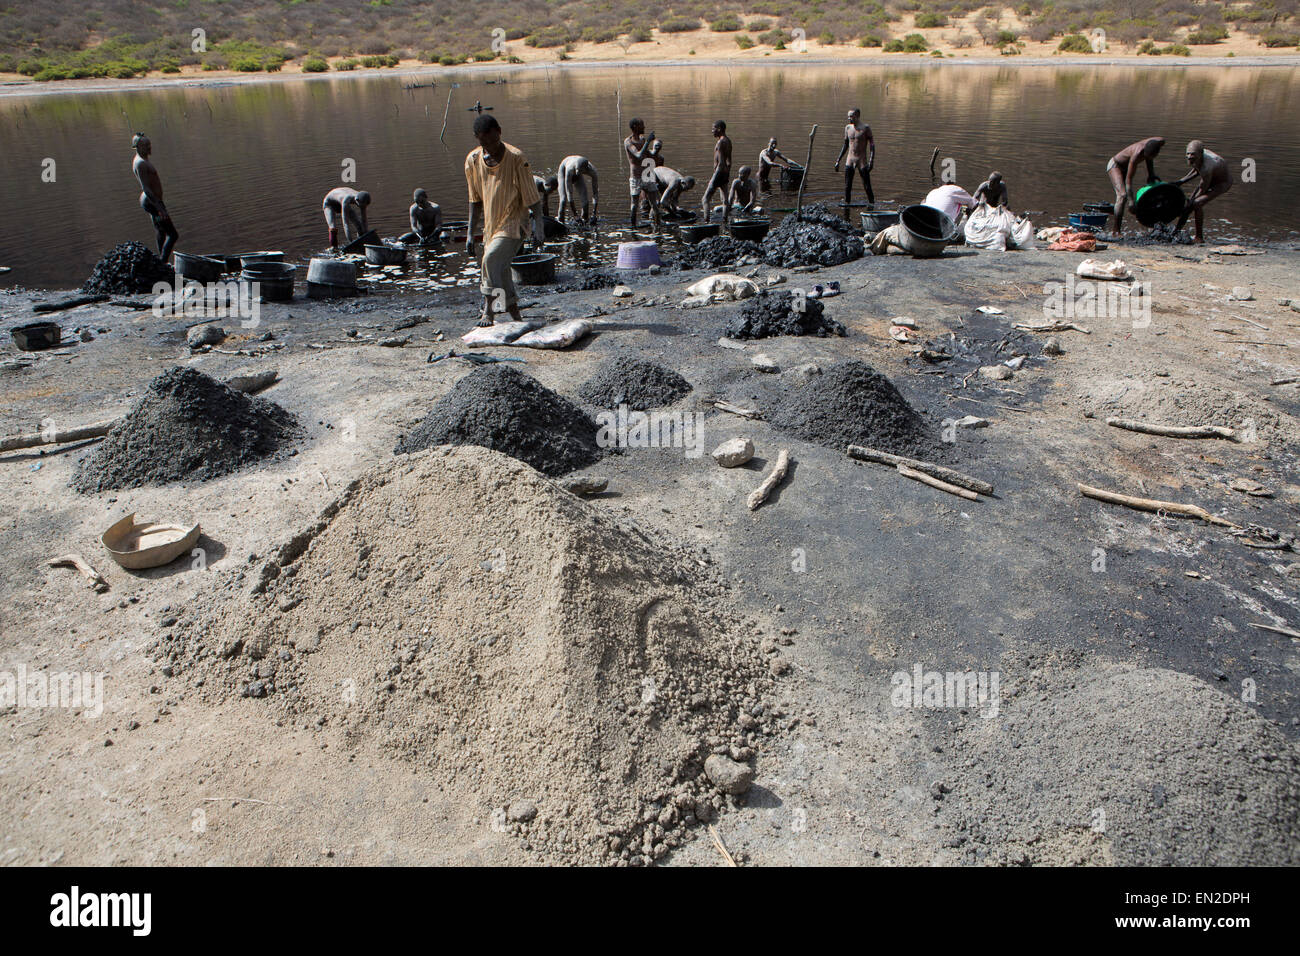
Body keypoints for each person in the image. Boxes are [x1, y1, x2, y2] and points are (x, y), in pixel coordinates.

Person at [464, 114, 544, 327]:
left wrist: (539, 227)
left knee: (490, 259)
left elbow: (532, 197)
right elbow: (475, 200)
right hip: (492, 225)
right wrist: (470, 234)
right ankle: (516, 315)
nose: (489, 147)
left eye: (492, 141)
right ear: (477, 139)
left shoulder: (517, 158)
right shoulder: (473, 161)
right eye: (484, 143)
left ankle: (489, 310)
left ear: (499, 131)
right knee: (500, 268)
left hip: (515, 223)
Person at [1172, 140, 1231, 244]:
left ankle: (1199, 237)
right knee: (1189, 205)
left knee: (1196, 203)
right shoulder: (1200, 157)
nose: (1189, 156)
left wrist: (1189, 204)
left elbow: (1202, 187)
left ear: (1200, 154)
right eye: (1188, 154)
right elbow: (1197, 168)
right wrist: (1180, 182)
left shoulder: (1207, 167)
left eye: (1192, 154)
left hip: (1221, 183)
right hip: (1209, 178)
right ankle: (1175, 232)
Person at [131, 133, 178, 263]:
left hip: (153, 202)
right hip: (152, 202)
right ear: (138, 147)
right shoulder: (140, 163)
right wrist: (160, 208)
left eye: (149, 144)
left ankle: (161, 261)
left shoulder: (144, 159)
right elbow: (146, 188)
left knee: (161, 230)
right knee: (173, 235)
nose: (149, 147)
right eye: (146, 145)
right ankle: (162, 261)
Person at [1106, 136, 1164, 236]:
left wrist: (1151, 174)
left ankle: (1113, 210)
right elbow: (1129, 180)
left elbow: (1150, 158)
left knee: (1122, 200)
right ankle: (1116, 231)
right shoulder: (1136, 154)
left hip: (1125, 166)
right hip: (1115, 166)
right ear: (1144, 152)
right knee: (1122, 196)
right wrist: (1131, 201)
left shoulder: (1159, 142)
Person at [624, 118, 661, 231]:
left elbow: (648, 154)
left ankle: (657, 227)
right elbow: (639, 155)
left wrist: (656, 149)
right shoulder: (628, 142)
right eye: (642, 125)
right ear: (635, 127)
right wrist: (648, 142)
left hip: (647, 174)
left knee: (654, 203)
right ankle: (633, 227)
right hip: (636, 176)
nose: (644, 127)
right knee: (634, 205)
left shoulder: (642, 139)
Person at [834, 109, 875, 206]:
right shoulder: (848, 128)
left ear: (857, 116)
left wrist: (871, 161)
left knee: (867, 186)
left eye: (851, 116)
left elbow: (872, 145)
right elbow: (845, 145)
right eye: (848, 116)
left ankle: (872, 204)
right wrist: (838, 160)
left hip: (862, 160)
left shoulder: (865, 128)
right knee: (847, 186)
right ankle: (847, 204)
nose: (849, 119)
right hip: (850, 159)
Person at [700, 120, 733, 220]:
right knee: (725, 200)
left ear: (719, 129)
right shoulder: (728, 141)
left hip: (719, 173)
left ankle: (706, 221)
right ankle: (725, 220)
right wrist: (727, 174)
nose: (712, 131)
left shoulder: (720, 142)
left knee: (705, 199)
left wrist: (714, 177)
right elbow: (729, 162)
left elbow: (721, 163)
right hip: (725, 172)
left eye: (713, 129)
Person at [557, 155, 599, 224]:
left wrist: (594, 214)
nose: (577, 172)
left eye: (579, 170)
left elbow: (595, 192)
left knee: (585, 201)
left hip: (579, 173)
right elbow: (569, 193)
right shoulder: (570, 168)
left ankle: (585, 219)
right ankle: (560, 220)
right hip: (564, 172)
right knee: (563, 200)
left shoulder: (592, 171)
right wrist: (575, 215)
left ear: (586, 169)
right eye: (576, 170)